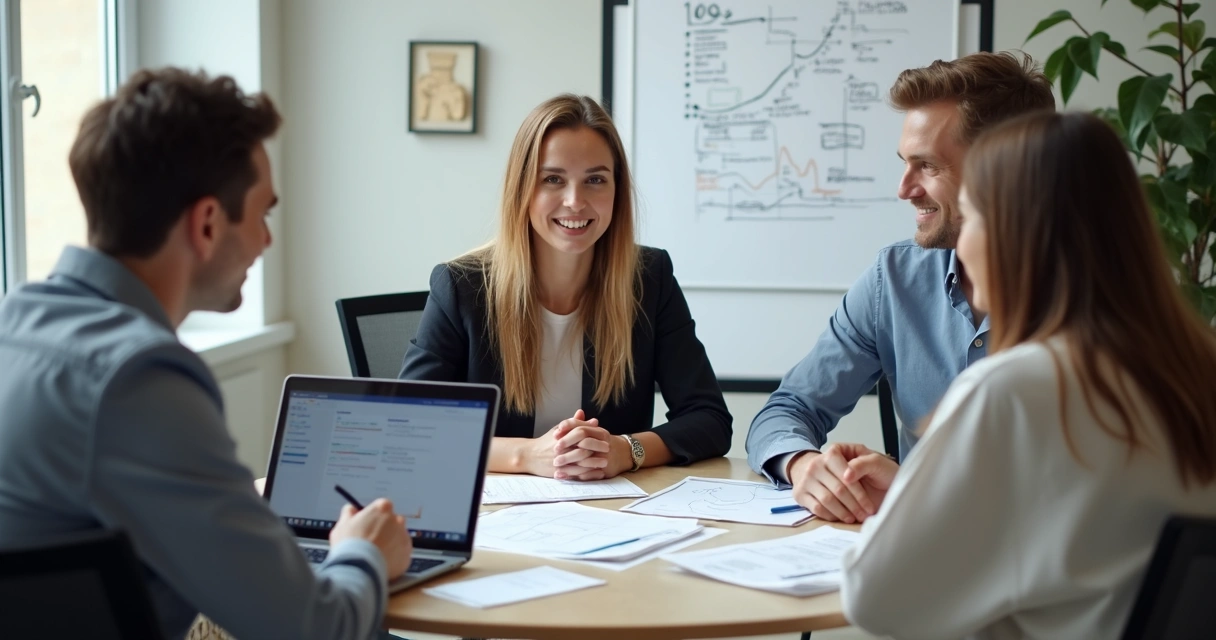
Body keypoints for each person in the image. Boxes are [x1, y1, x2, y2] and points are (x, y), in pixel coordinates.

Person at [0, 68, 412, 640]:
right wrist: (362, 551)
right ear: (209, 223)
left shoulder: (15, 324)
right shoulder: (136, 380)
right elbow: (314, 629)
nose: (267, 241)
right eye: (263, 213)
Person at [839, 111, 1216, 638]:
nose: (963, 251)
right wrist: (919, 489)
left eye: (971, 217)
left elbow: (874, 599)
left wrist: (903, 510)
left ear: (1016, 233)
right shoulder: (1194, 370)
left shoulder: (1012, 389)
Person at [745, 52, 1055, 523]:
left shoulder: (1091, 300)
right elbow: (788, 409)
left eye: (927, 166)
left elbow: (1080, 496)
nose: (904, 188)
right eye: (905, 164)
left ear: (1005, 169)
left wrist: (915, 487)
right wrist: (804, 465)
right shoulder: (893, 277)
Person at [400, 94, 732, 480]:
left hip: (609, 517)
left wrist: (626, 450)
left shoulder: (648, 278)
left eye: (595, 180)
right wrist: (527, 455)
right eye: (553, 179)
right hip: (497, 518)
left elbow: (709, 419)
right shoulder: (462, 286)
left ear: (616, 191)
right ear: (522, 188)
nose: (575, 202)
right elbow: (412, 424)